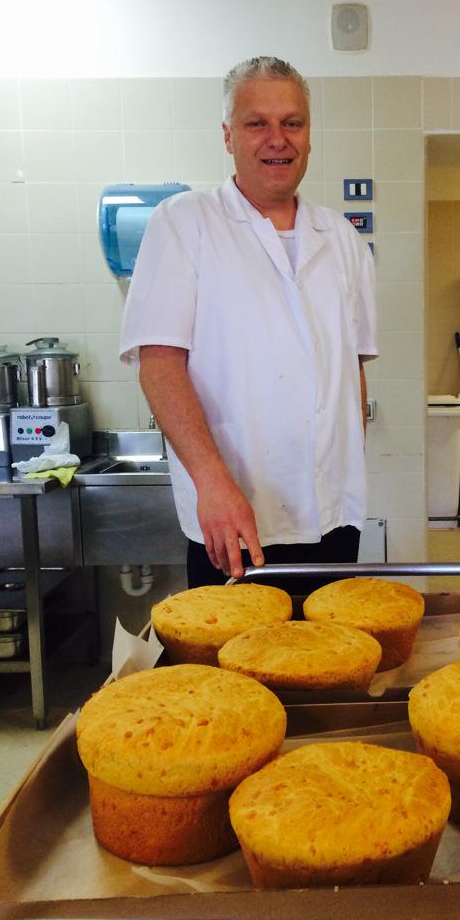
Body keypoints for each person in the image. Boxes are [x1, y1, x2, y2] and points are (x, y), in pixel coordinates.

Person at [119, 56, 377, 592]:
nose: (277, 139)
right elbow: (159, 364)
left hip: (333, 517)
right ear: (228, 136)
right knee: (232, 668)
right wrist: (211, 482)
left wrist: (346, 467)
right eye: (257, 123)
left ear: (309, 135)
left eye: (293, 123)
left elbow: (350, 371)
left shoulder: (343, 240)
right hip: (234, 515)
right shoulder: (185, 222)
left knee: (329, 664)